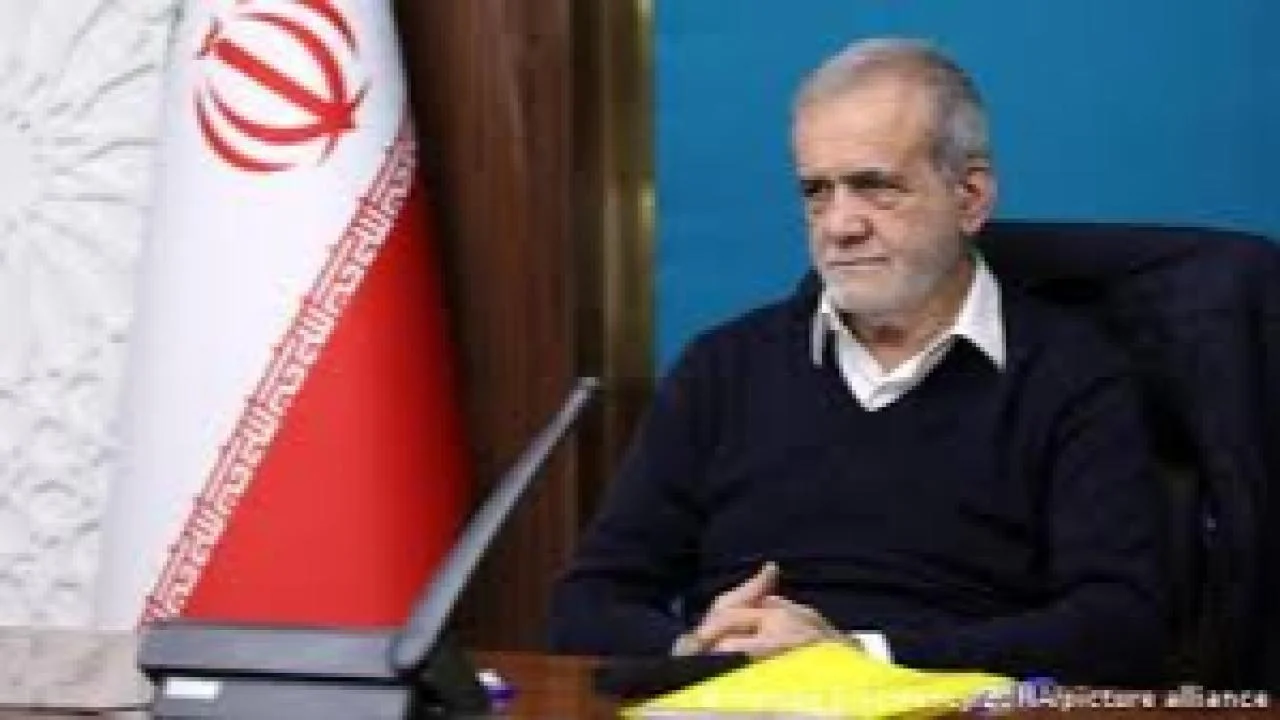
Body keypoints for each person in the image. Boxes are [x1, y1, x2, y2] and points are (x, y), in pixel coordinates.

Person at [548, 38, 1167, 685]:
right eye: (817, 192)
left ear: (971, 197)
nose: (839, 226)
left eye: (875, 187)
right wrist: (693, 650)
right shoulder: (723, 368)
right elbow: (586, 603)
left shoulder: (1073, 373)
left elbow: (1121, 627)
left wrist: (861, 659)